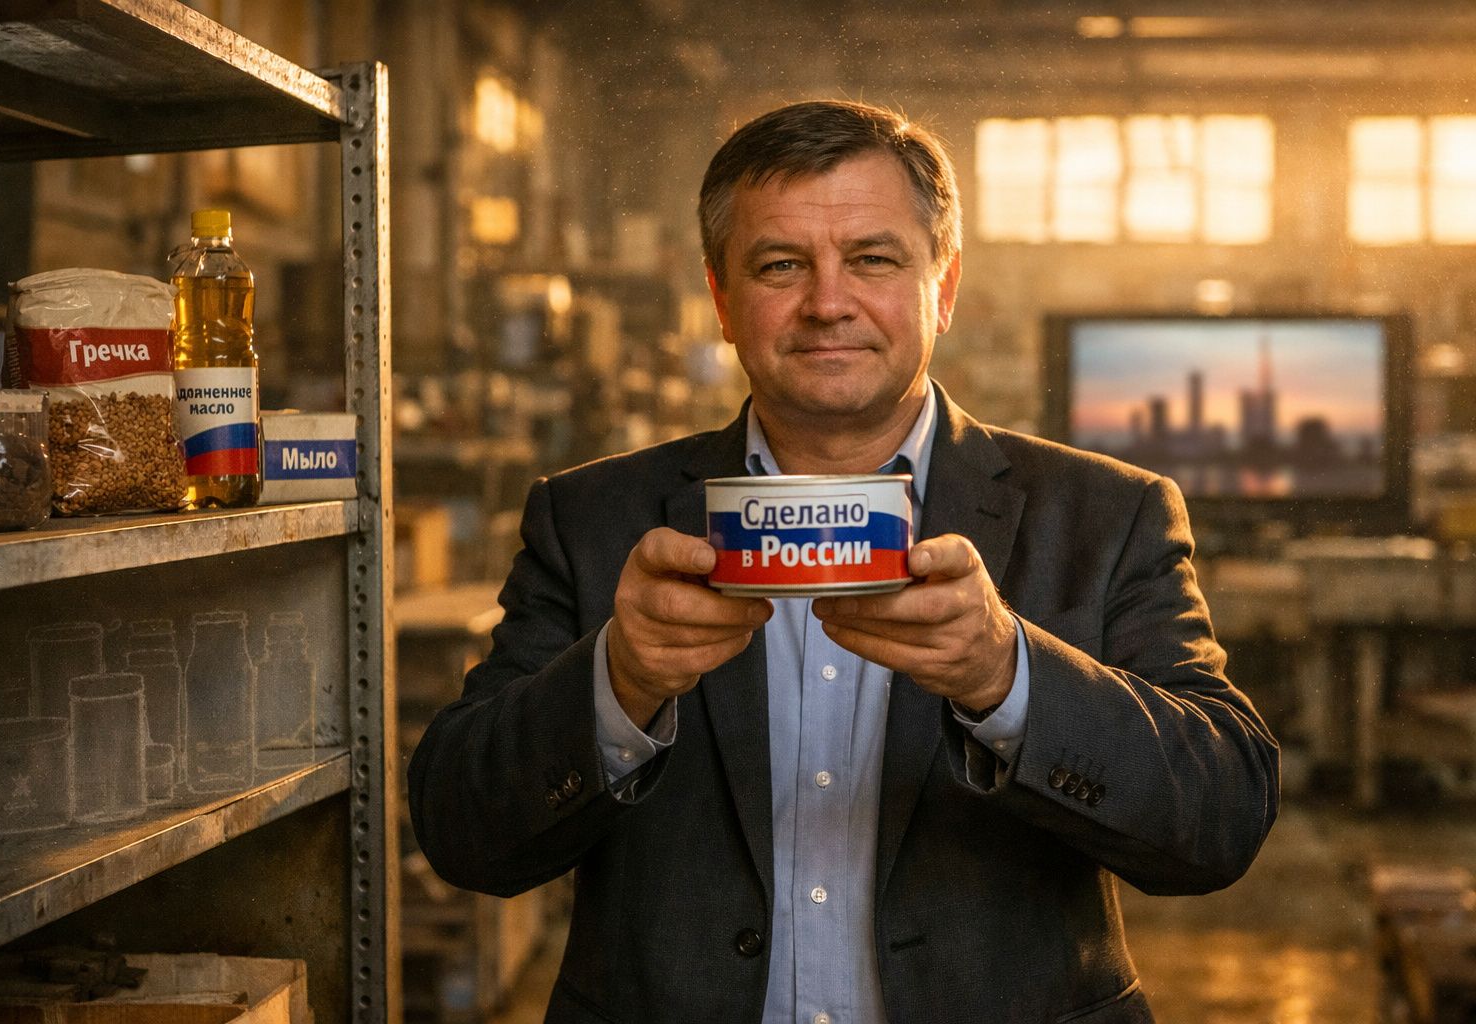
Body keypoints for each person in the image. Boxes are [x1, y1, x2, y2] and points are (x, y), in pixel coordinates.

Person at [409, 99, 1279, 1024]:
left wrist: (1006, 675)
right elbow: (465, 833)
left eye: (873, 258)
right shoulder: (592, 521)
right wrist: (618, 683)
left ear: (943, 289)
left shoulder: (1108, 517)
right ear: (722, 298)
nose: (828, 302)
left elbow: (1221, 817)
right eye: (781, 265)